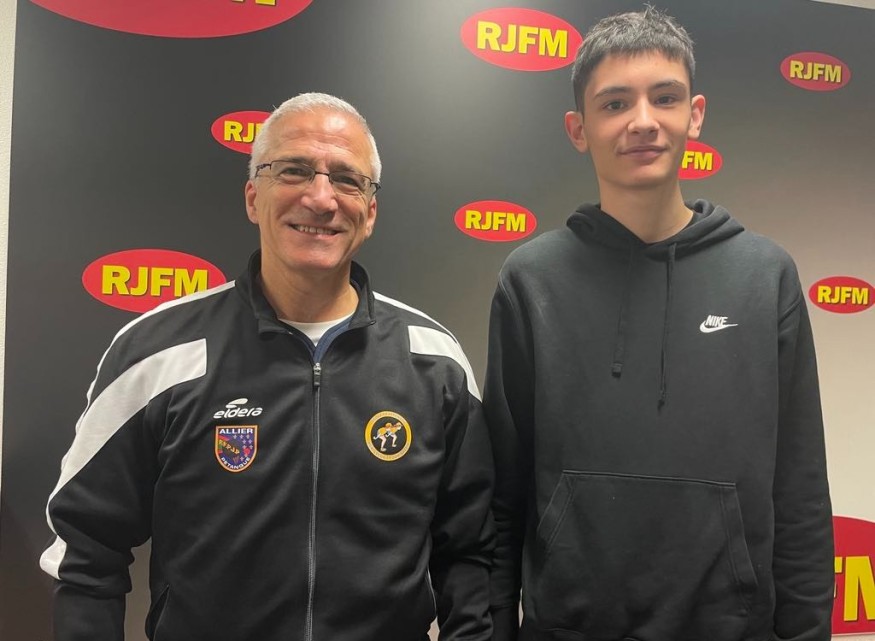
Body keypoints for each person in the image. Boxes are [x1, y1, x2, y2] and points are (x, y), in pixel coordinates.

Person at [40, 92, 494, 641]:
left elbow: (470, 555)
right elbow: (85, 553)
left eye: (347, 179)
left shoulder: (434, 361)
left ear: (370, 212)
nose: (320, 198)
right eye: (294, 170)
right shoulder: (156, 353)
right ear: (253, 197)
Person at [484, 8, 833, 641]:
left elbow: (800, 491)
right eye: (615, 103)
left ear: (695, 115)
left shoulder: (765, 276)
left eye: (664, 98)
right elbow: (501, 497)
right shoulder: (531, 280)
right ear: (578, 128)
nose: (642, 121)